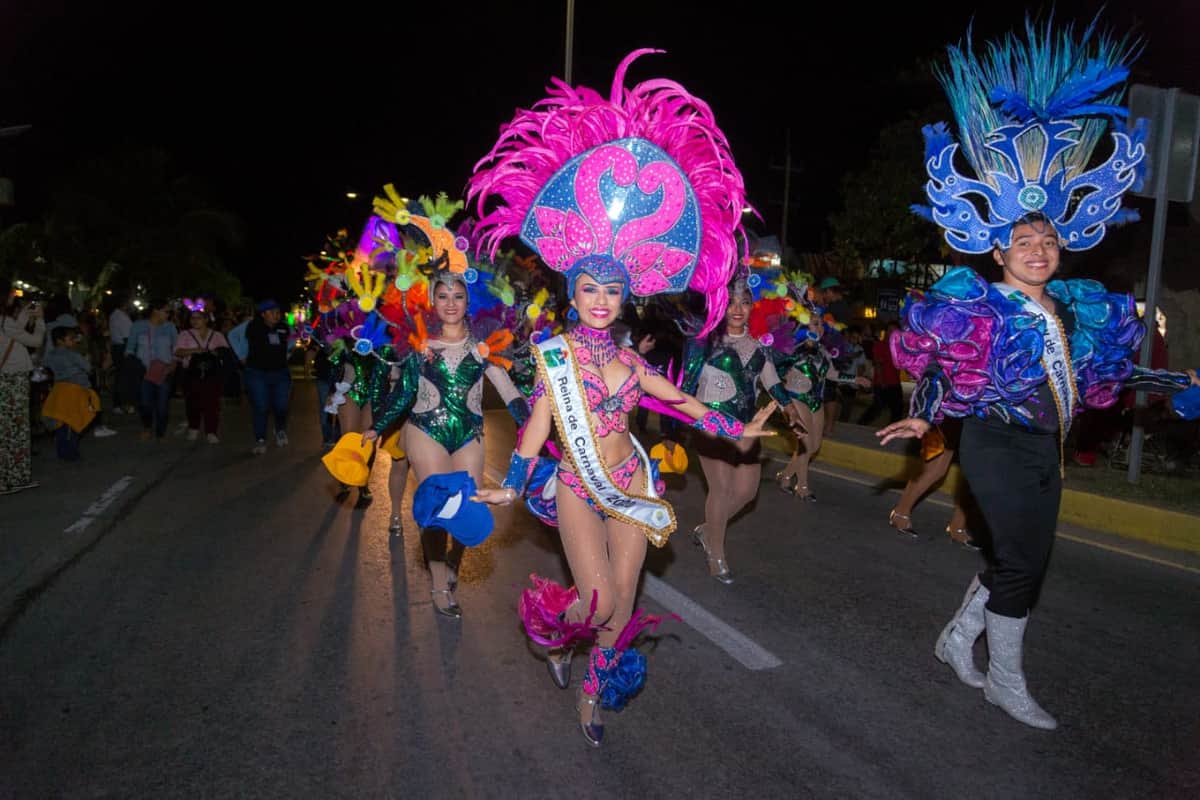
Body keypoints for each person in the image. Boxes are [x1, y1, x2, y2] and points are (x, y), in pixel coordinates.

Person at [877, 18, 1200, 731]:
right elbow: (944, 366)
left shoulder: (1078, 309)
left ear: (1061, 248)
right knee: (1023, 563)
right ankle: (1005, 682)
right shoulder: (979, 305)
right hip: (993, 444)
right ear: (999, 253)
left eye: (1047, 239)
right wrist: (926, 414)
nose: (1037, 248)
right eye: (1022, 240)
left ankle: (957, 639)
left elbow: (1112, 373)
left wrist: (1179, 384)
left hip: (1045, 450)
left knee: (1018, 558)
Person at [467, 49, 777, 747]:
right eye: (590, 289)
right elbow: (538, 424)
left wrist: (734, 428)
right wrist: (513, 482)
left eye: (612, 290)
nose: (602, 299)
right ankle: (554, 635)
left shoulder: (634, 361)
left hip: (631, 482)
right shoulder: (555, 355)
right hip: (579, 484)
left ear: (624, 296)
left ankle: (591, 696)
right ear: (572, 292)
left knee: (622, 603)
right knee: (597, 598)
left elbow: (683, 402)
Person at [364, 195, 529, 617]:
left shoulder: (483, 346)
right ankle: (439, 585)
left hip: (469, 433)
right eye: (443, 295)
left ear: (468, 301)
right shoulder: (420, 345)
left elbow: (508, 390)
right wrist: (378, 426)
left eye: (458, 295)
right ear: (432, 301)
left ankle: (454, 562)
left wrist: (531, 424)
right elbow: (404, 394)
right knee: (437, 506)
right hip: (425, 430)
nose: (451, 302)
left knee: (468, 506)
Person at [682, 278, 798, 583]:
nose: (737, 308)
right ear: (720, 305)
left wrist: (788, 406)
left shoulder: (760, 345)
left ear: (752, 308)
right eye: (731, 302)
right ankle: (716, 554)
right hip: (712, 426)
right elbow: (685, 388)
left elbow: (771, 381)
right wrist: (676, 428)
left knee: (746, 492)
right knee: (720, 490)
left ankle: (708, 530)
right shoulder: (704, 342)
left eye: (744, 302)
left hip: (747, 427)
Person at [776, 292, 871, 501]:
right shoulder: (792, 348)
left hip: (815, 401)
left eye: (821, 325)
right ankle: (802, 486)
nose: (819, 328)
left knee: (814, 446)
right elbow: (774, 371)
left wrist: (855, 379)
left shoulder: (823, 351)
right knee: (805, 445)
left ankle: (785, 475)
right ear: (804, 326)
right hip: (796, 398)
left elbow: (832, 374)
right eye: (815, 324)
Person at [886, 418, 978, 549]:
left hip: (987, 422)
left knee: (977, 476)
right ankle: (900, 513)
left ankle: (958, 526)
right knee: (935, 470)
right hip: (949, 417)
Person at [42, 325, 116, 459]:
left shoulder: (50, 355)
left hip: (59, 390)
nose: (74, 341)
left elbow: (46, 367)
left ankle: (62, 451)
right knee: (73, 422)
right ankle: (71, 453)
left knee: (62, 422)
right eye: (71, 339)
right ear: (60, 341)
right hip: (75, 391)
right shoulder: (73, 355)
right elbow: (88, 368)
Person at [0, 291, 46, 494]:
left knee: (7, 429)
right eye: (10, 292)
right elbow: (35, 341)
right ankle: (12, 478)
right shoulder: (5, 322)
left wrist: (25, 314)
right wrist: (40, 321)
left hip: (5, 377)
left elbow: (15, 331)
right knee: (16, 429)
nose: (13, 295)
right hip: (13, 379)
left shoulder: (5, 322)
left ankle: (11, 477)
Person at [174, 301, 231, 443]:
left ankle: (211, 431)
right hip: (192, 373)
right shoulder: (185, 334)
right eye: (192, 318)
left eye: (198, 318)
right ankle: (194, 428)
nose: (194, 321)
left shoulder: (216, 335)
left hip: (212, 373)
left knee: (212, 403)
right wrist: (195, 350)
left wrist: (216, 352)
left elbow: (226, 352)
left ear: (206, 319)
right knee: (192, 402)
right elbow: (177, 352)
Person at [244, 299, 292, 454]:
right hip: (257, 373)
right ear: (263, 314)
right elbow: (233, 335)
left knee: (281, 406)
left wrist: (289, 353)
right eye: (272, 312)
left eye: (278, 312)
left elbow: (292, 341)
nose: (276, 315)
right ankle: (260, 439)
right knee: (261, 406)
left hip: (280, 373)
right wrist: (240, 356)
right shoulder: (253, 326)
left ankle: (280, 429)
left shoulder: (284, 327)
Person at [127, 298, 179, 441]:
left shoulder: (170, 327)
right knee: (145, 403)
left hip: (164, 371)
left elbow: (176, 349)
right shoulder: (138, 326)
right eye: (166, 311)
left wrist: (174, 364)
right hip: (144, 371)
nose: (168, 314)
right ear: (156, 310)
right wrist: (134, 364)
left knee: (162, 405)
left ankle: (160, 432)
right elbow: (130, 348)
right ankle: (147, 427)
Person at [857, 320, 904, 425]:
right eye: (890, 330)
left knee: (897, 409)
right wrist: (882, 382)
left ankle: (893, 429)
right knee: (878, 407)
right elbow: (878, 364)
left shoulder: (898, 346)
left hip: (895, 382)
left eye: (895, 331)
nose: (892, 333)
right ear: (886, 332)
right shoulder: (880, 345)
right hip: (882, 382)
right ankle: (861, 424)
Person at [107, 296, 134, 414]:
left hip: (119, 347)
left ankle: (119, 404)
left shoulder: (115, 315)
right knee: (124, 378)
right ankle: (121, 404)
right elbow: (127, 337)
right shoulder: (121, 317)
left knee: (121, 377)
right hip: (123, 348)